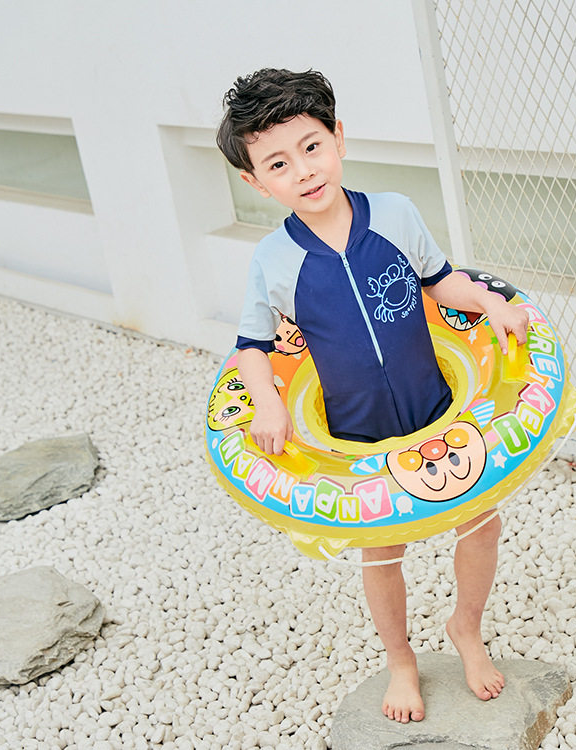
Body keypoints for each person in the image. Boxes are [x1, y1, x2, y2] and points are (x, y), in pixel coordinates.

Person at [216, 68, 529, 723]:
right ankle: (400, 659)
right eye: (278, 163)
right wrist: (268, 403)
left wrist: (490, 303)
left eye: (311, 146)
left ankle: (466, 628)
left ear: (338, 137)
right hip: (355, 435)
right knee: (381, 552)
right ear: (255, 181)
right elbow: (253, 347)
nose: (303, 170)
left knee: (481, 523)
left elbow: (440, 281)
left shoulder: (394, 213)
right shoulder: (273, 260)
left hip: (438, 411)